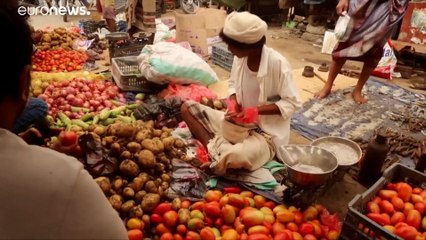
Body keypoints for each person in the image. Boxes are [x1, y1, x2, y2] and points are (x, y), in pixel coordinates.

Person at [0, 1, 127, 239]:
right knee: (39, 107)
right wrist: (51, 162)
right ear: (24, 81)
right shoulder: (67, 180)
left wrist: (18, 144)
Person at [181, 12, 302, 175]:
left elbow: (292, 103)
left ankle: (222, 153)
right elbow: (232, 84)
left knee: (238, 156)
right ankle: (214, 149)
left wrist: (255, 111)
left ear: (249, 46)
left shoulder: (278, 64)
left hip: (264, 135)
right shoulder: (240, 59)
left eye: (232, 45)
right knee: (187, 108)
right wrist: (233, 101)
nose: (229, 49)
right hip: (238, 124)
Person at [314, 0, 409, 104]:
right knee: (346, 43)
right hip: (361, 5)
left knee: (375, 48)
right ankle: (328, 85)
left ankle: (358, 90)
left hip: (388, 8)